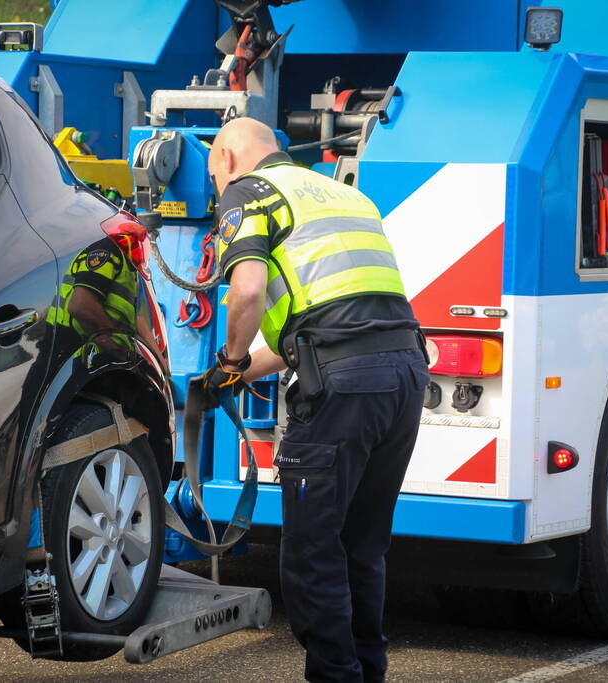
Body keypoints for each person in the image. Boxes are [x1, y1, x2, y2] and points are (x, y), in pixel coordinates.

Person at [202, 117, 430, 682]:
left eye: (212, 177)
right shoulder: (346, 196)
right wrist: (231, 376)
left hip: (343, 386)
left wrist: (230, 359)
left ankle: (334, 677)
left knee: (311, 552)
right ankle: (363, 673)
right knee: (362, 546)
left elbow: (248, 290)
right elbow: (324, 322)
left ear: (228, 158)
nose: (215, 189)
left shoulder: (248, 191)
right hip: (402, 372)